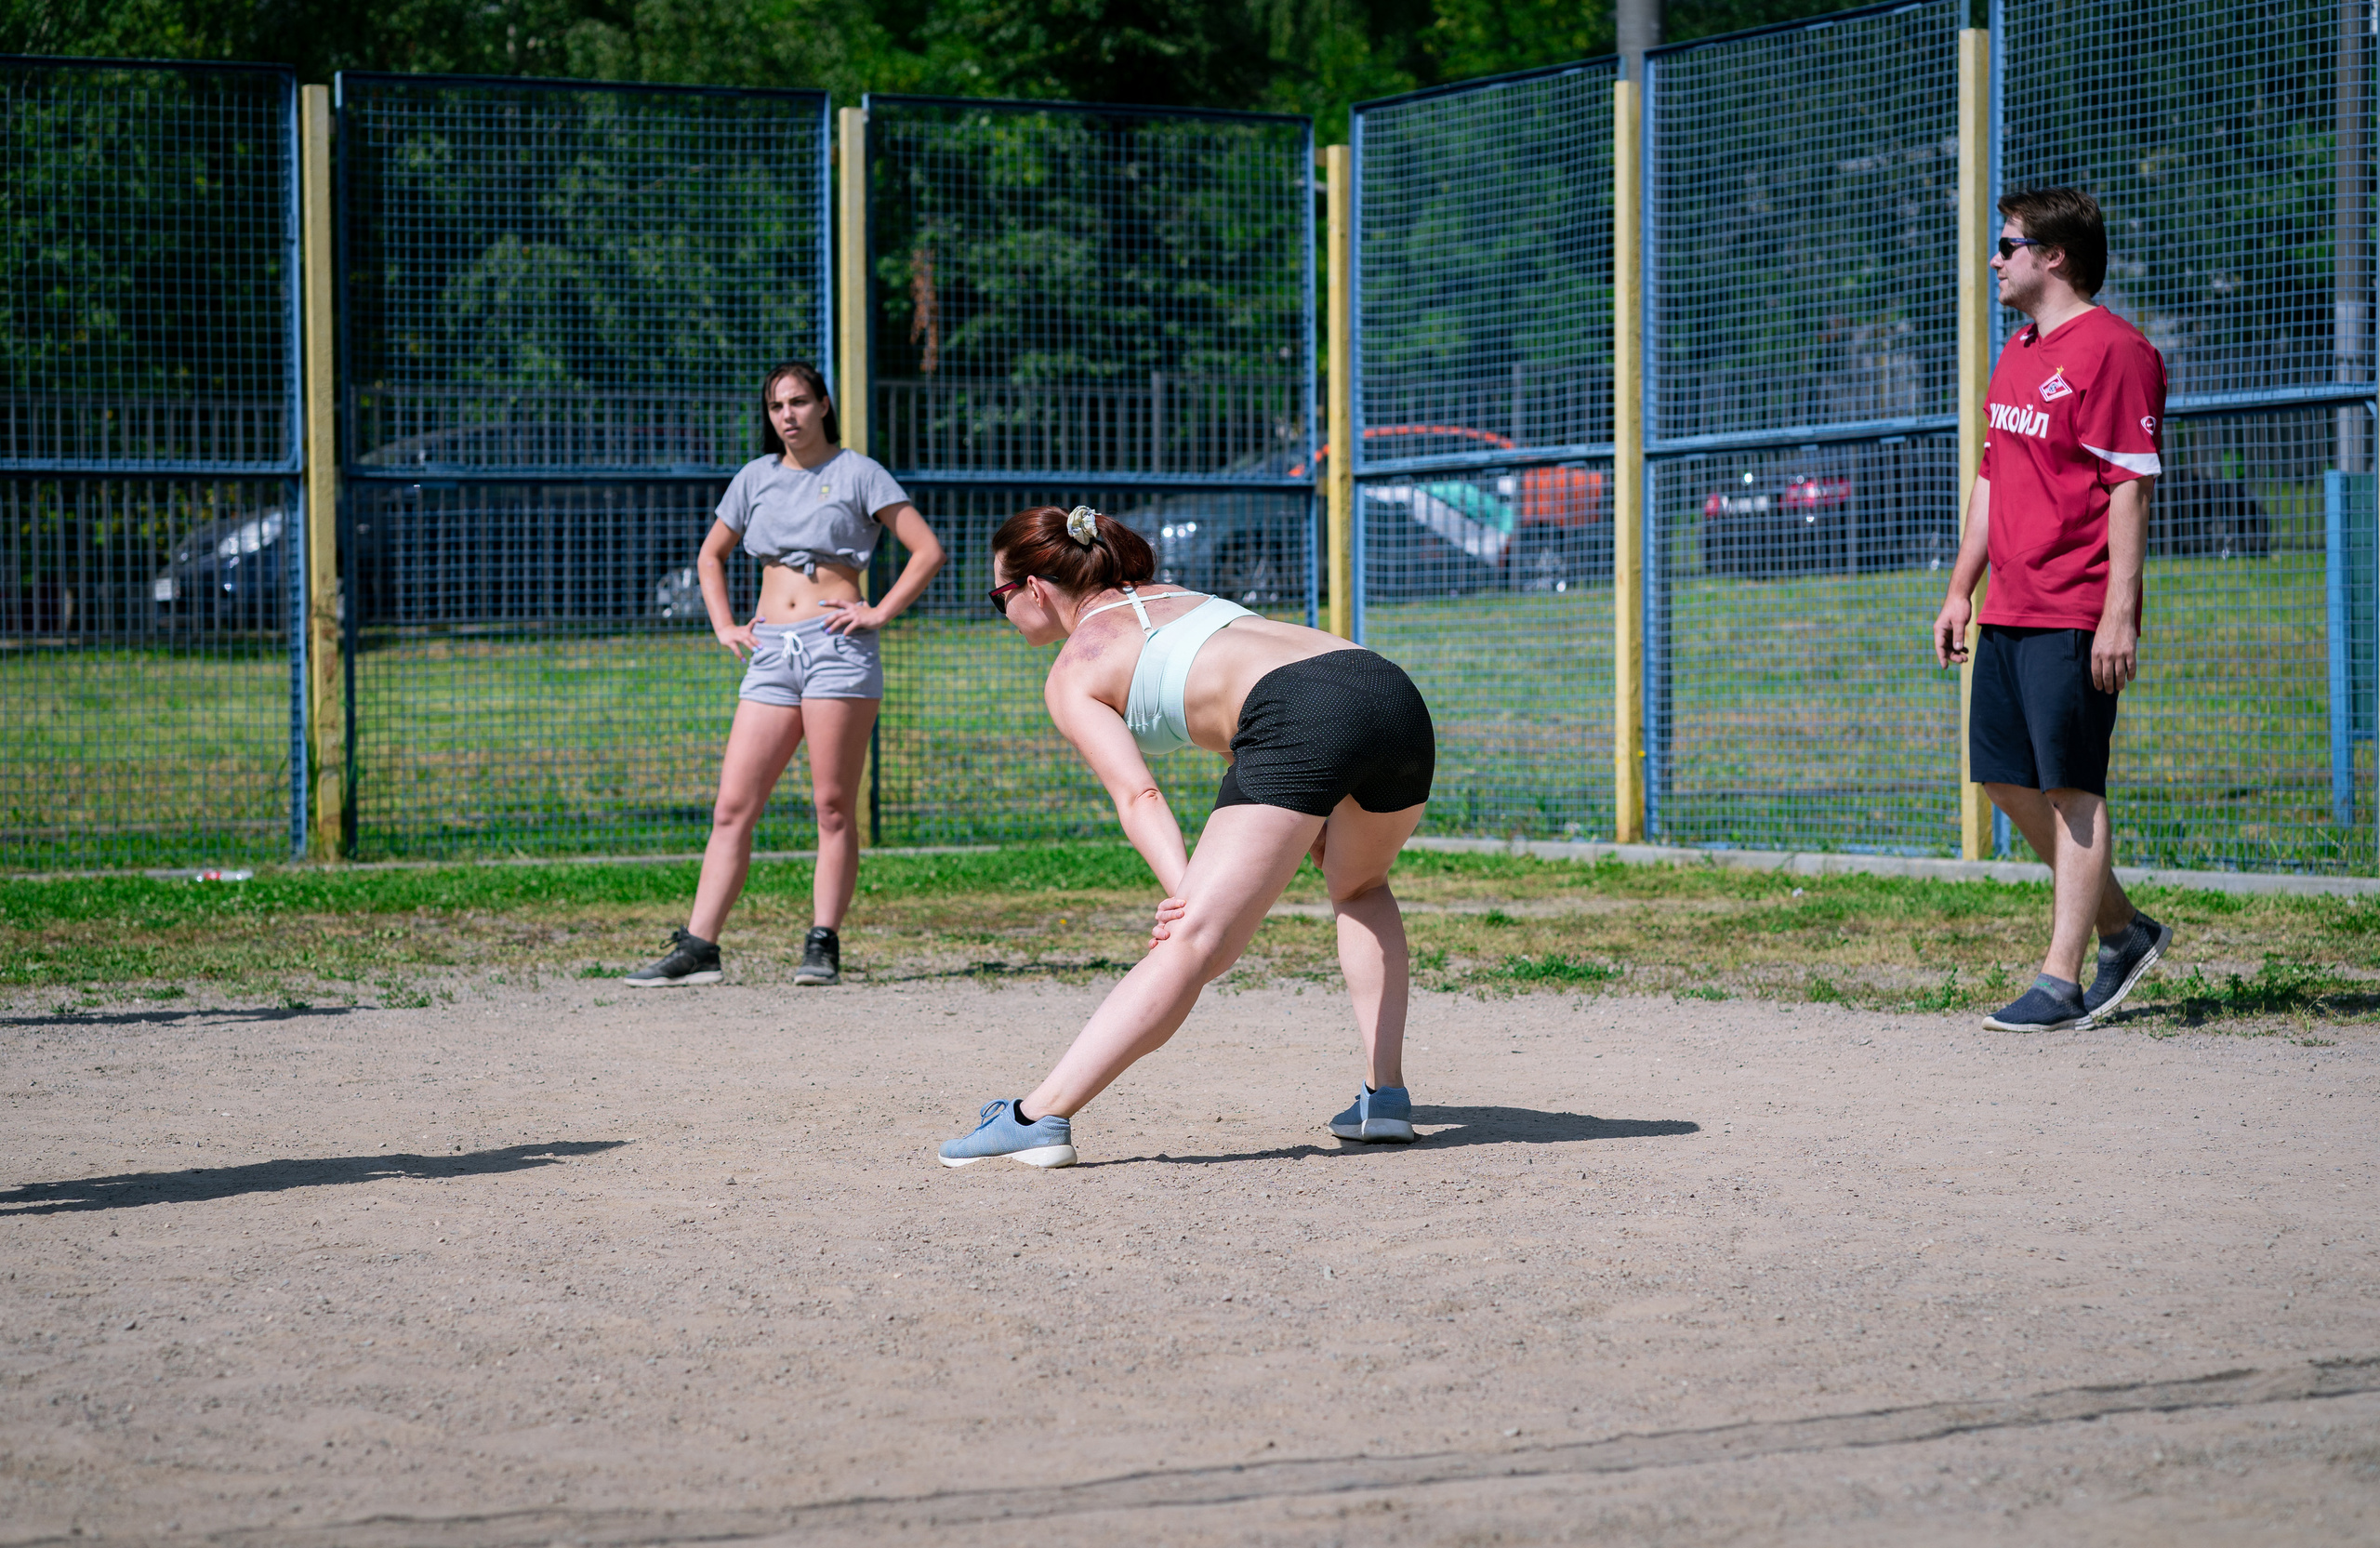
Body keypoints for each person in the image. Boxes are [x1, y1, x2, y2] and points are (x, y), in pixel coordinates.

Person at [937, 505, 1435, 1168]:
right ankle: (1386, 1099)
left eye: (998, 595)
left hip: (1298, 714)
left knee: (1192, 943)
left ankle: (1037, 1115)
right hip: (1388, 690)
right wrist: (1309, 803)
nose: (1001, 613)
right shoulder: (1176, 595)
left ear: (1032, 588)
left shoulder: (1071, 672)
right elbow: (1238, 697)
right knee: (1360, 883)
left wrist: (1185, 896)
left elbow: (1138, 794)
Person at [1933, 187, 2174, 1032]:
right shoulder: (2018, 349)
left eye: (2008, 245)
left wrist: (2118, 613)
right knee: (2005, 777)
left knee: (2073, 785)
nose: (1995, 260)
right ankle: (2123, 930)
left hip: (2075, 605)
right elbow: (1993, 479)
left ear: (2054, 256)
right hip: (2012, 603)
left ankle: (2061, 980)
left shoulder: (2116, 351)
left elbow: (2129, 490)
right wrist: (1963, 587)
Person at [627, 363, 945, 988]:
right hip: (771, 652)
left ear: (824, 404)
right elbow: (710, 556)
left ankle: (822, 942)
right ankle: (699, 947)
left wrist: (878, 610)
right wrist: (725, 626)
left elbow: (927, 549)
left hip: (838, 649)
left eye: (800, 402)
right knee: (733, 806)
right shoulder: (755, 477)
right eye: (777, 406)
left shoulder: (858, 472)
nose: (788, 416)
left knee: (831, 805)